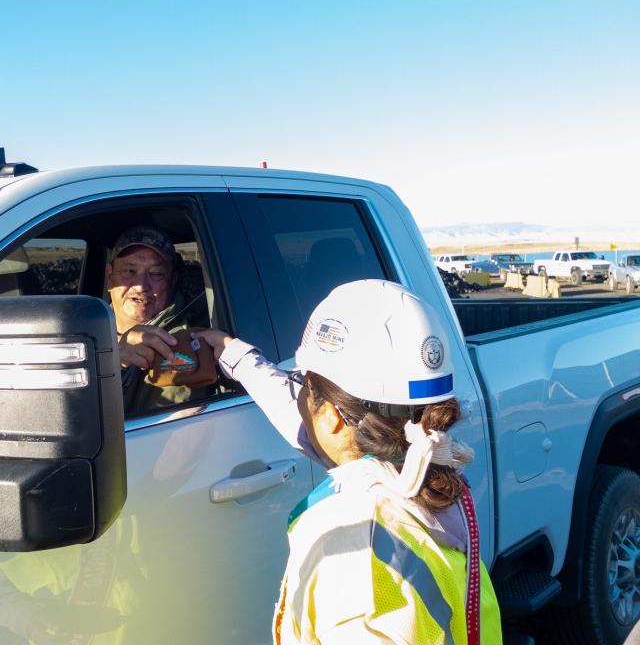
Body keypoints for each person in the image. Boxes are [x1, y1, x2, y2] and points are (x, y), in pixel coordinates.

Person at [194, 279, 502, 644]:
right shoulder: (419, 476)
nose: (298, 399)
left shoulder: (354, 543)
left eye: (303, 386)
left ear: (333, 417)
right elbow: (321, 428)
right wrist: (236, 356)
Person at [106, 225, 211, 414]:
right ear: (109, 276)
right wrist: (111, 361)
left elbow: (151, 433)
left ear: (172, 280)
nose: (141, 286)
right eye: (129, 271)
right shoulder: (84, 330)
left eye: (156, 274)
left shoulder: (181, 345)